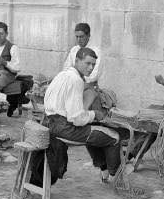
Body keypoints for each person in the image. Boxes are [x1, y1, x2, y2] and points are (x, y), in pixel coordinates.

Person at [44, 47, 121, 182]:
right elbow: (77, 119)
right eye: (87, 63)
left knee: (94, 132)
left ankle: (104, 172)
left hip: (51, 123)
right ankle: (115, 176)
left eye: (93, 65)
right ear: (77, 60)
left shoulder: (62, 75)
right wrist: (95, 113)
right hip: (66, 128)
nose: (91, 68)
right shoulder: (76, 80)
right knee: (114, 136)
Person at [63, 23, 107, 110]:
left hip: (88, 86)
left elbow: (93, 75)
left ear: (88, 36)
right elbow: (66, 68)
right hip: (73, 83)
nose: (79, 40)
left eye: (82, 36)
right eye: (77, 37)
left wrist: (78, 83)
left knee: (82, 106)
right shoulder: (74, 50)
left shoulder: (96, 52)